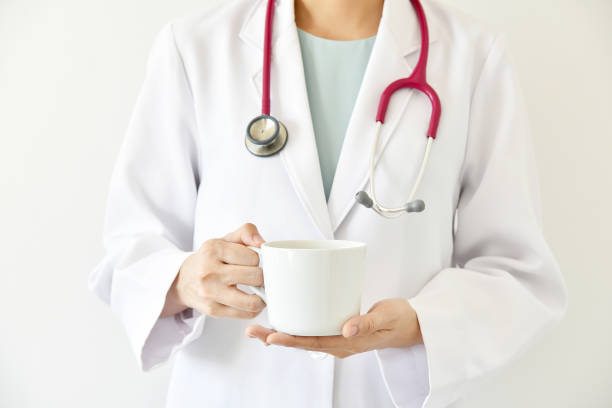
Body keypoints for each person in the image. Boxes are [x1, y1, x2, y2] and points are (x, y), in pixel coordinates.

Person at [89, 0, 568, 406]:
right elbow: (132, 249)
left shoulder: (472, 57)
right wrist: (185, 281)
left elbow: (518, 274)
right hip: (232, 389)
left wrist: (420, 324)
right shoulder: (195, 49)